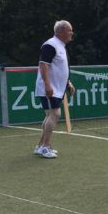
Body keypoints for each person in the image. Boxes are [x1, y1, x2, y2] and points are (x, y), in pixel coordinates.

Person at [34, 20, 76, 159]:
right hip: (50, 88)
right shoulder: (50, 45)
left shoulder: (60, 46)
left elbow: (60, 69)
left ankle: (41, 146)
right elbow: (43, 65)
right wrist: (47, 85)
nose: (72, 33)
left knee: (49, 115)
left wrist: (68, 83)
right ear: (61, 31)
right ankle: (45, 147)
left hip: (56, 88)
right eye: (70, 30)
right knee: (55, 114)